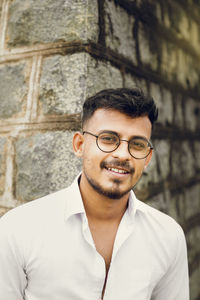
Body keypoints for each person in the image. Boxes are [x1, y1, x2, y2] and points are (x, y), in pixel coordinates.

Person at [0, 88, 189, 300]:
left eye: (137, 144)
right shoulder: (18, 229)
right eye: (108, 138)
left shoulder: (168, 236)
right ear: (80, 145)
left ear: (147, 158)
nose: (122, 154)